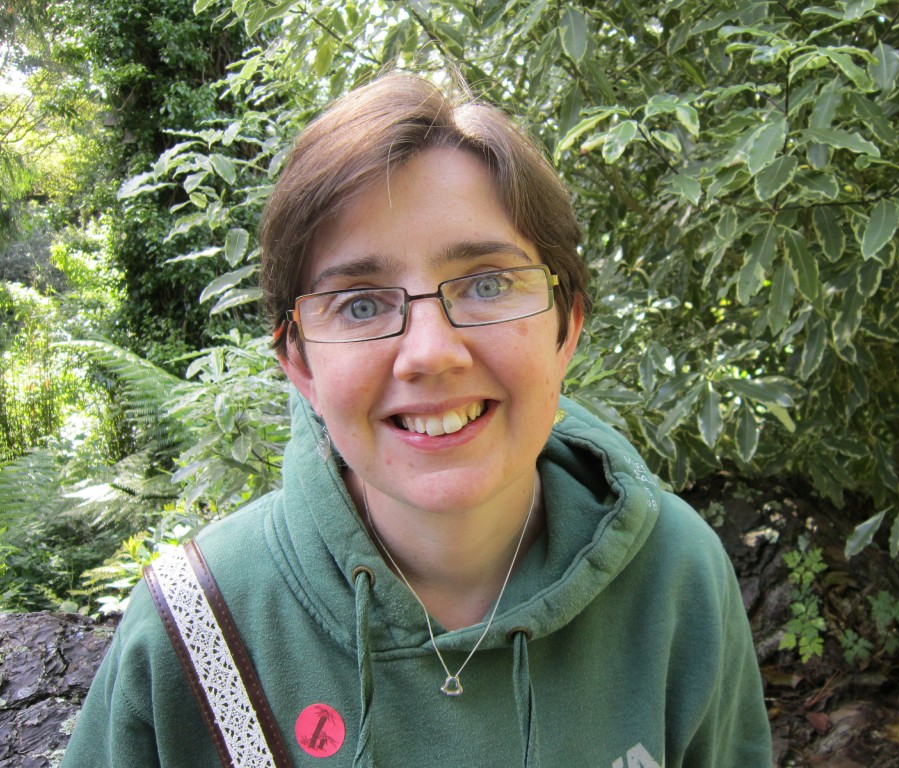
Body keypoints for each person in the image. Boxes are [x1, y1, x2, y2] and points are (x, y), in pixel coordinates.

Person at [63, 71, 772, 767]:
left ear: (567, 328)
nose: (431, 353)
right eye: (361, 304)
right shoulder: (196, 637)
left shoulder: (675, 579)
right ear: (300, 365)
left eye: (487, 284)